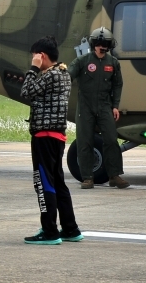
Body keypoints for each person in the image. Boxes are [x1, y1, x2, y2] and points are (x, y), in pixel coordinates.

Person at [20, 36, 82, 245]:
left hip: (44, 136)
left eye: (35, 56)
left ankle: (49, 231)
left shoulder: (49, 75)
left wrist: (33, 69)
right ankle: (70, 228)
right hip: (57, 136)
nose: (33, 59)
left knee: (43, 182)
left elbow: (26, 91)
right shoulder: (63, 74)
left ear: (42, 56)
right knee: (57, 182)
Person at [68, 27, 129, 189]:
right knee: (84, 140)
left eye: (106, 44)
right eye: (99, 43)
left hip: (105, 106)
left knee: (111, 140)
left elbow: (118, 85)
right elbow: (69, 75)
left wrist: (115, 106)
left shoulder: (113, 63)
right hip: (85, 106)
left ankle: (114, 176)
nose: (102, 46)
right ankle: (87, 177)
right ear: (93, 44)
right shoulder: (82, 61)